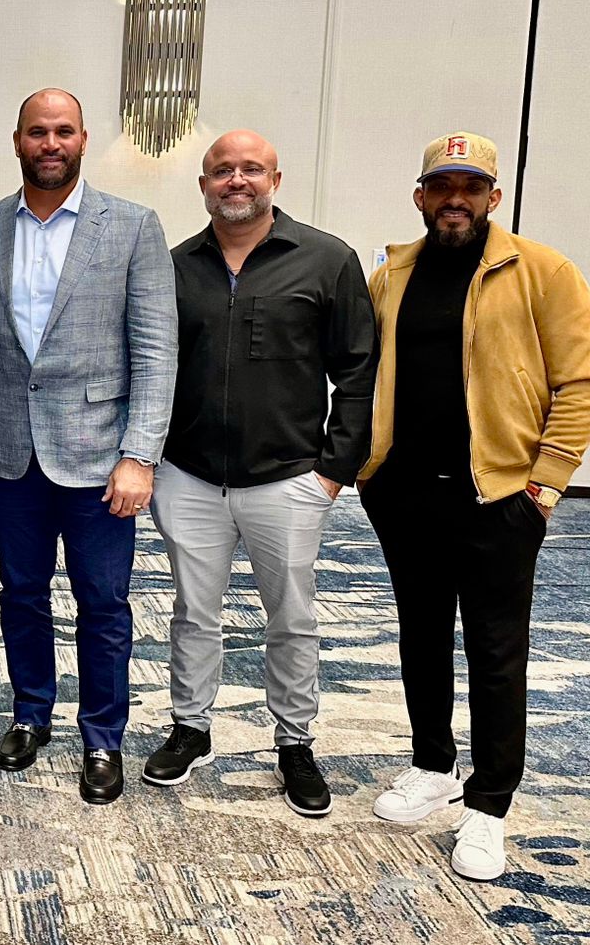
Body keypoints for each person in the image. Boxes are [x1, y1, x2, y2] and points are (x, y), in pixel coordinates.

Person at [358, 132, 590, 881]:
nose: (454, 199)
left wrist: (546, 485)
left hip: (499, 496)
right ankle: (433, 765)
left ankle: (489, 804)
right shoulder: (391, 275)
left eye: (470, 186)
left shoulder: (544, 271)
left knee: (495, 652)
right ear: (420, 196)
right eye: (441, 186)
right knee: (421, 636)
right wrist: (369, 472)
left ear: (494, 196)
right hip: (404, 493)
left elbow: (579, 383)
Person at [0, 88, 177, 803]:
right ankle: (31, 714)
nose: (50, 143)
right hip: (9, 451)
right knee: (21, 591)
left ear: (83, 140)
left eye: (63, 131)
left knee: (103, 601)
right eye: (37, 132)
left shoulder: (132, 226)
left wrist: (140, 454)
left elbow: (156, 352)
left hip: (102, 456)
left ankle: (103, 737)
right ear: (17, 141)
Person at [141, 130, 377, 817]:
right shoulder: (174, 267)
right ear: (203, 186)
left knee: (292, 617)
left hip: (289, 478)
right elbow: (150, 364)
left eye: (251, 169)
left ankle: (295, 742)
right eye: (222, 171)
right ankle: (190, 727)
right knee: (193, 612)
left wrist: (334, 470)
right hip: (189, 476)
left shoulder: (328, 260)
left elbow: (358, 370)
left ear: (276, 179)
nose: (236, 180)